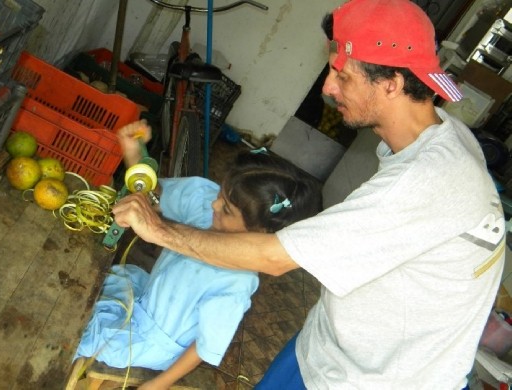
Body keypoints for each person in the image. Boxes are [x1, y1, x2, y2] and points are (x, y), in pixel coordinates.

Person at [111, 0, 506, 388]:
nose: (329, 88)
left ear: (392, 84)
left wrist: (158, 230)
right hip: (327, 351)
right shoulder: (447, 137)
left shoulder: (428, 180)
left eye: (344, 76)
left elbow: (274, 257)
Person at [73, 120, 322, 389]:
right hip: (141, 296)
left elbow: (204, 347)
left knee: (76, 333)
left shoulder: (235, 284)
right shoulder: (207, 205)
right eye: (220, 193)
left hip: (147, 339)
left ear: (260, 235)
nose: (214, 204)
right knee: (79, 289)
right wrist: (135, 154)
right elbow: (156, 195)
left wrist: (155, 386)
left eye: (226, 208)